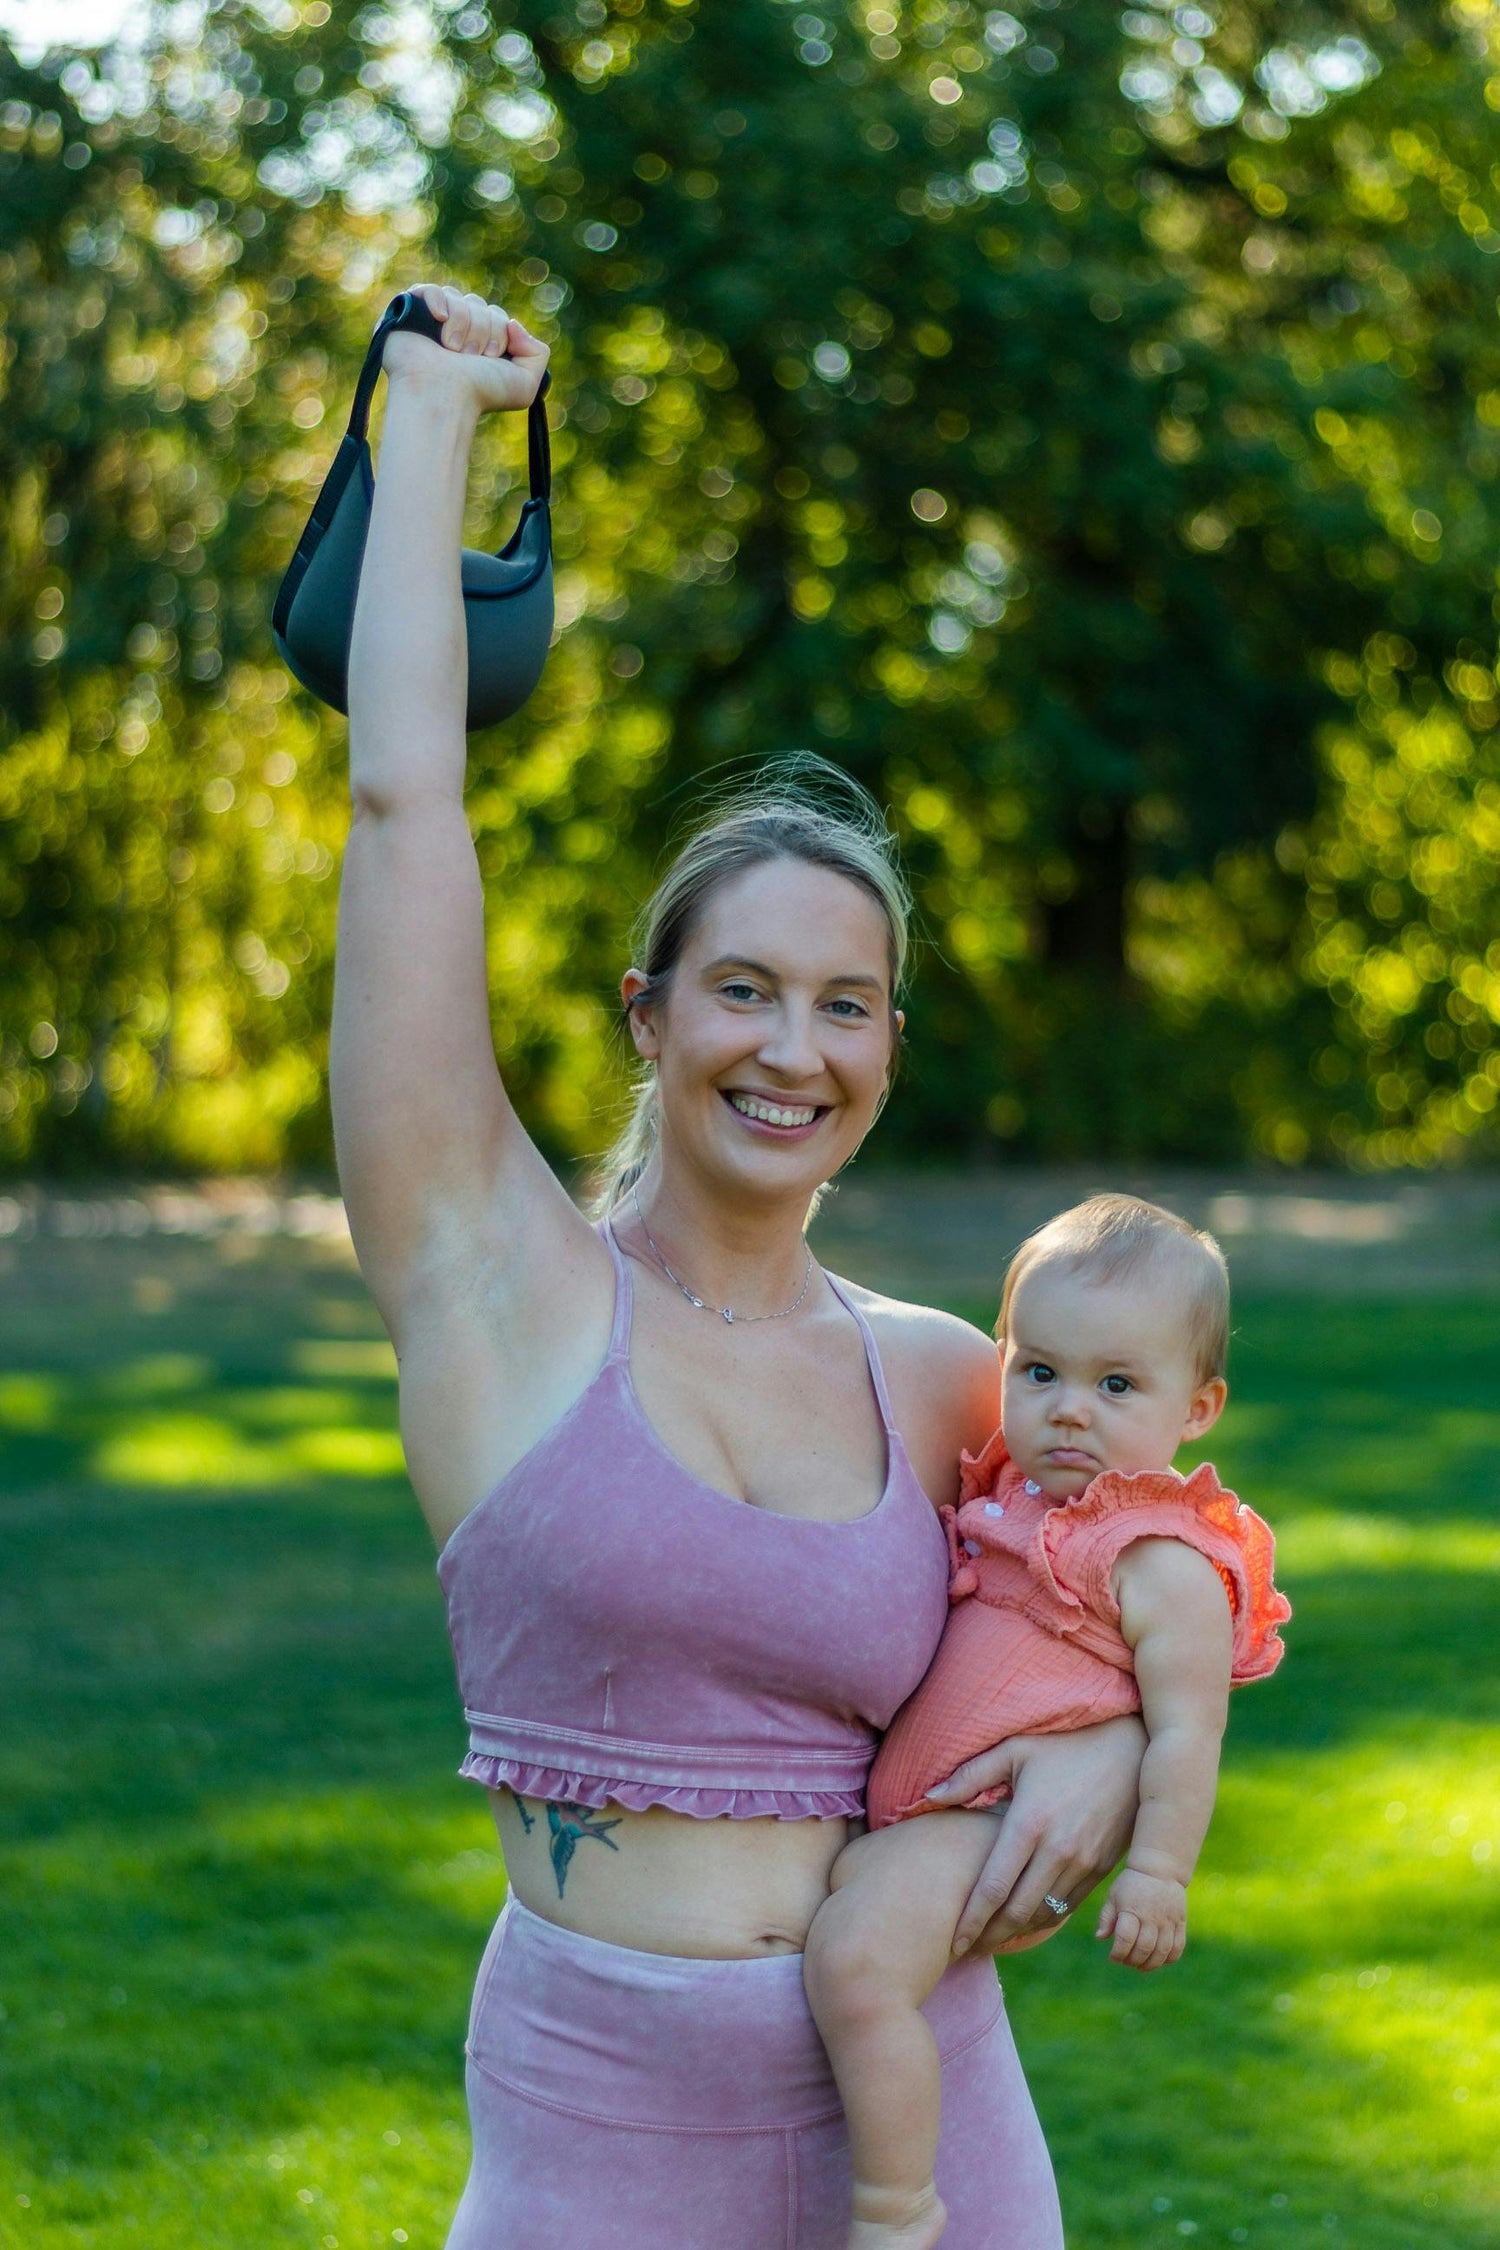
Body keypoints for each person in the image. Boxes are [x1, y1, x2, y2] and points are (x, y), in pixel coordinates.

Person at [331, 279, 1148, 2250]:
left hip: (928, 2123)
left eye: (847, 1005)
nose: (796, 1049)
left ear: (887, 1049)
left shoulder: (954, 1374)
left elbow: (1137, 1579)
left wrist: (1111, 1744)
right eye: (748, 992)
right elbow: (402, 800)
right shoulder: (496, 1287)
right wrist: (432, 423)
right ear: (649, 1013)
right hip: (608, 2122)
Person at [802, 1195, 1292, 2248]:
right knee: (848, 1924)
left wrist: (1159, 1870)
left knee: (855, 1962)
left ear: (1198, 1407)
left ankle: (896, 2205)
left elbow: (1185, 1733)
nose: (1070, 1409)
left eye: (1117, 1384)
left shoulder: (1162, 1559)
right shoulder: (1013, 1495)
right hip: (925, 1812)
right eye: (1041, 1372)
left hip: (988, 1820)